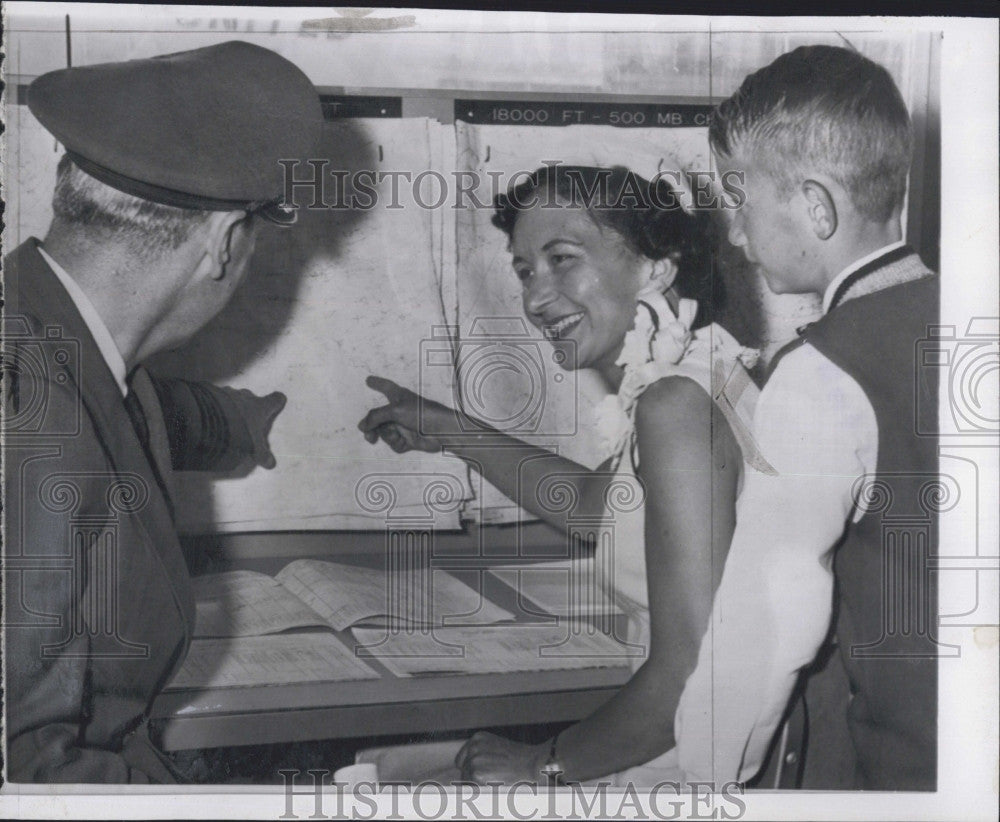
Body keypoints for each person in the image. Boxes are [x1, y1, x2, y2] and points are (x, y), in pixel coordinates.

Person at [359, 164, 770, 785]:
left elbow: (691, 679)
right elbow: (592, 503)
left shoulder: (675, 406)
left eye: (562, 259)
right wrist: (449, 429)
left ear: (657, 268)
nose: (535, 297)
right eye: (526, 270)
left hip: (676, 774)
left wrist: (542, 762)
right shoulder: (696, 372)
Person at [2, 41, 323, 782]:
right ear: (222, 243)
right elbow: (33, 774)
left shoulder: (48, 327)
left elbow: (134, 411)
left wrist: (242, 421)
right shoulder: (30, 420)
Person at [672, 44, 939, 790]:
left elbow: (762, 635)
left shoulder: (821, 374)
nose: (732, 232)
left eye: (740, 199)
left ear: (816, 206)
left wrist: (703, 785)